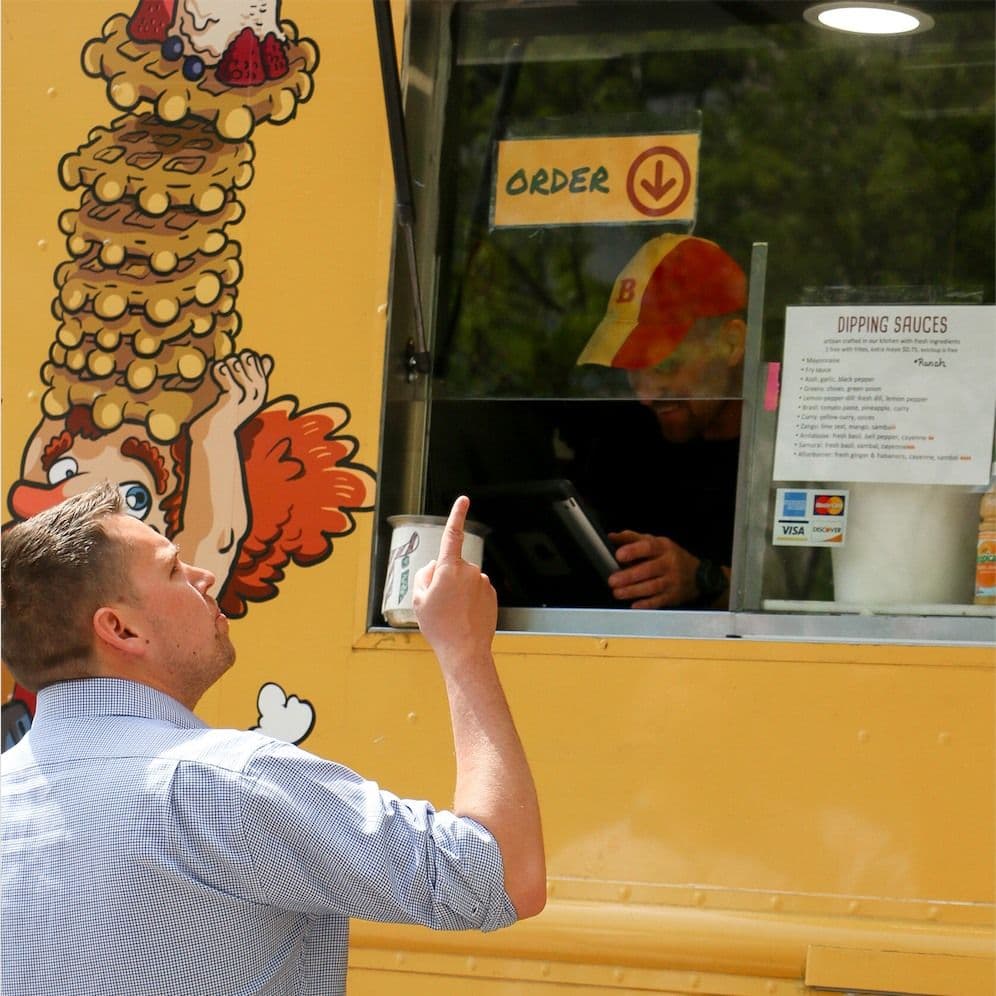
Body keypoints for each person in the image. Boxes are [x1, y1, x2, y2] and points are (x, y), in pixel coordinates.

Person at [0, 482, 545, 995]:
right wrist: (463, 646)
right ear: (120, 629)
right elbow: (499, 876)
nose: (203, 577)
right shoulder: (225, 782)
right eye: (173, 570)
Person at [573, 233, 747, 609]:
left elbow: (802, 590)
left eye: (666, 364)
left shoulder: (784, 449)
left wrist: (705, 579)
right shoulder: (624, 444)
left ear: (732, 344)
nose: (645, 395)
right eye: (632, 367)